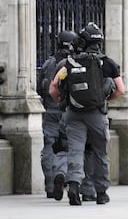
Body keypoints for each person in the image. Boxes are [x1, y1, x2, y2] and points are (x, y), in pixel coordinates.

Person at [49, 22, 125, 205]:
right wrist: (104, 101)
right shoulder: (107, 62)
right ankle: (101, 192)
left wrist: (63, 101)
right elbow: (121, 90)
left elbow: (53, 88)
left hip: (73, 113)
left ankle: (74, 184)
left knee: (75, 150)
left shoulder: (70, 62)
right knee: (100, 153)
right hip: (97, 114)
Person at [37, 30, 77, 199]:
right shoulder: (71, 63)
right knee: (67, 148)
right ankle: (62, 173)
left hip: (49, 112)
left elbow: (40, 88)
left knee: (48, 148)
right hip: (67, 111)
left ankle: (50, 185)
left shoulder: (48, 64)